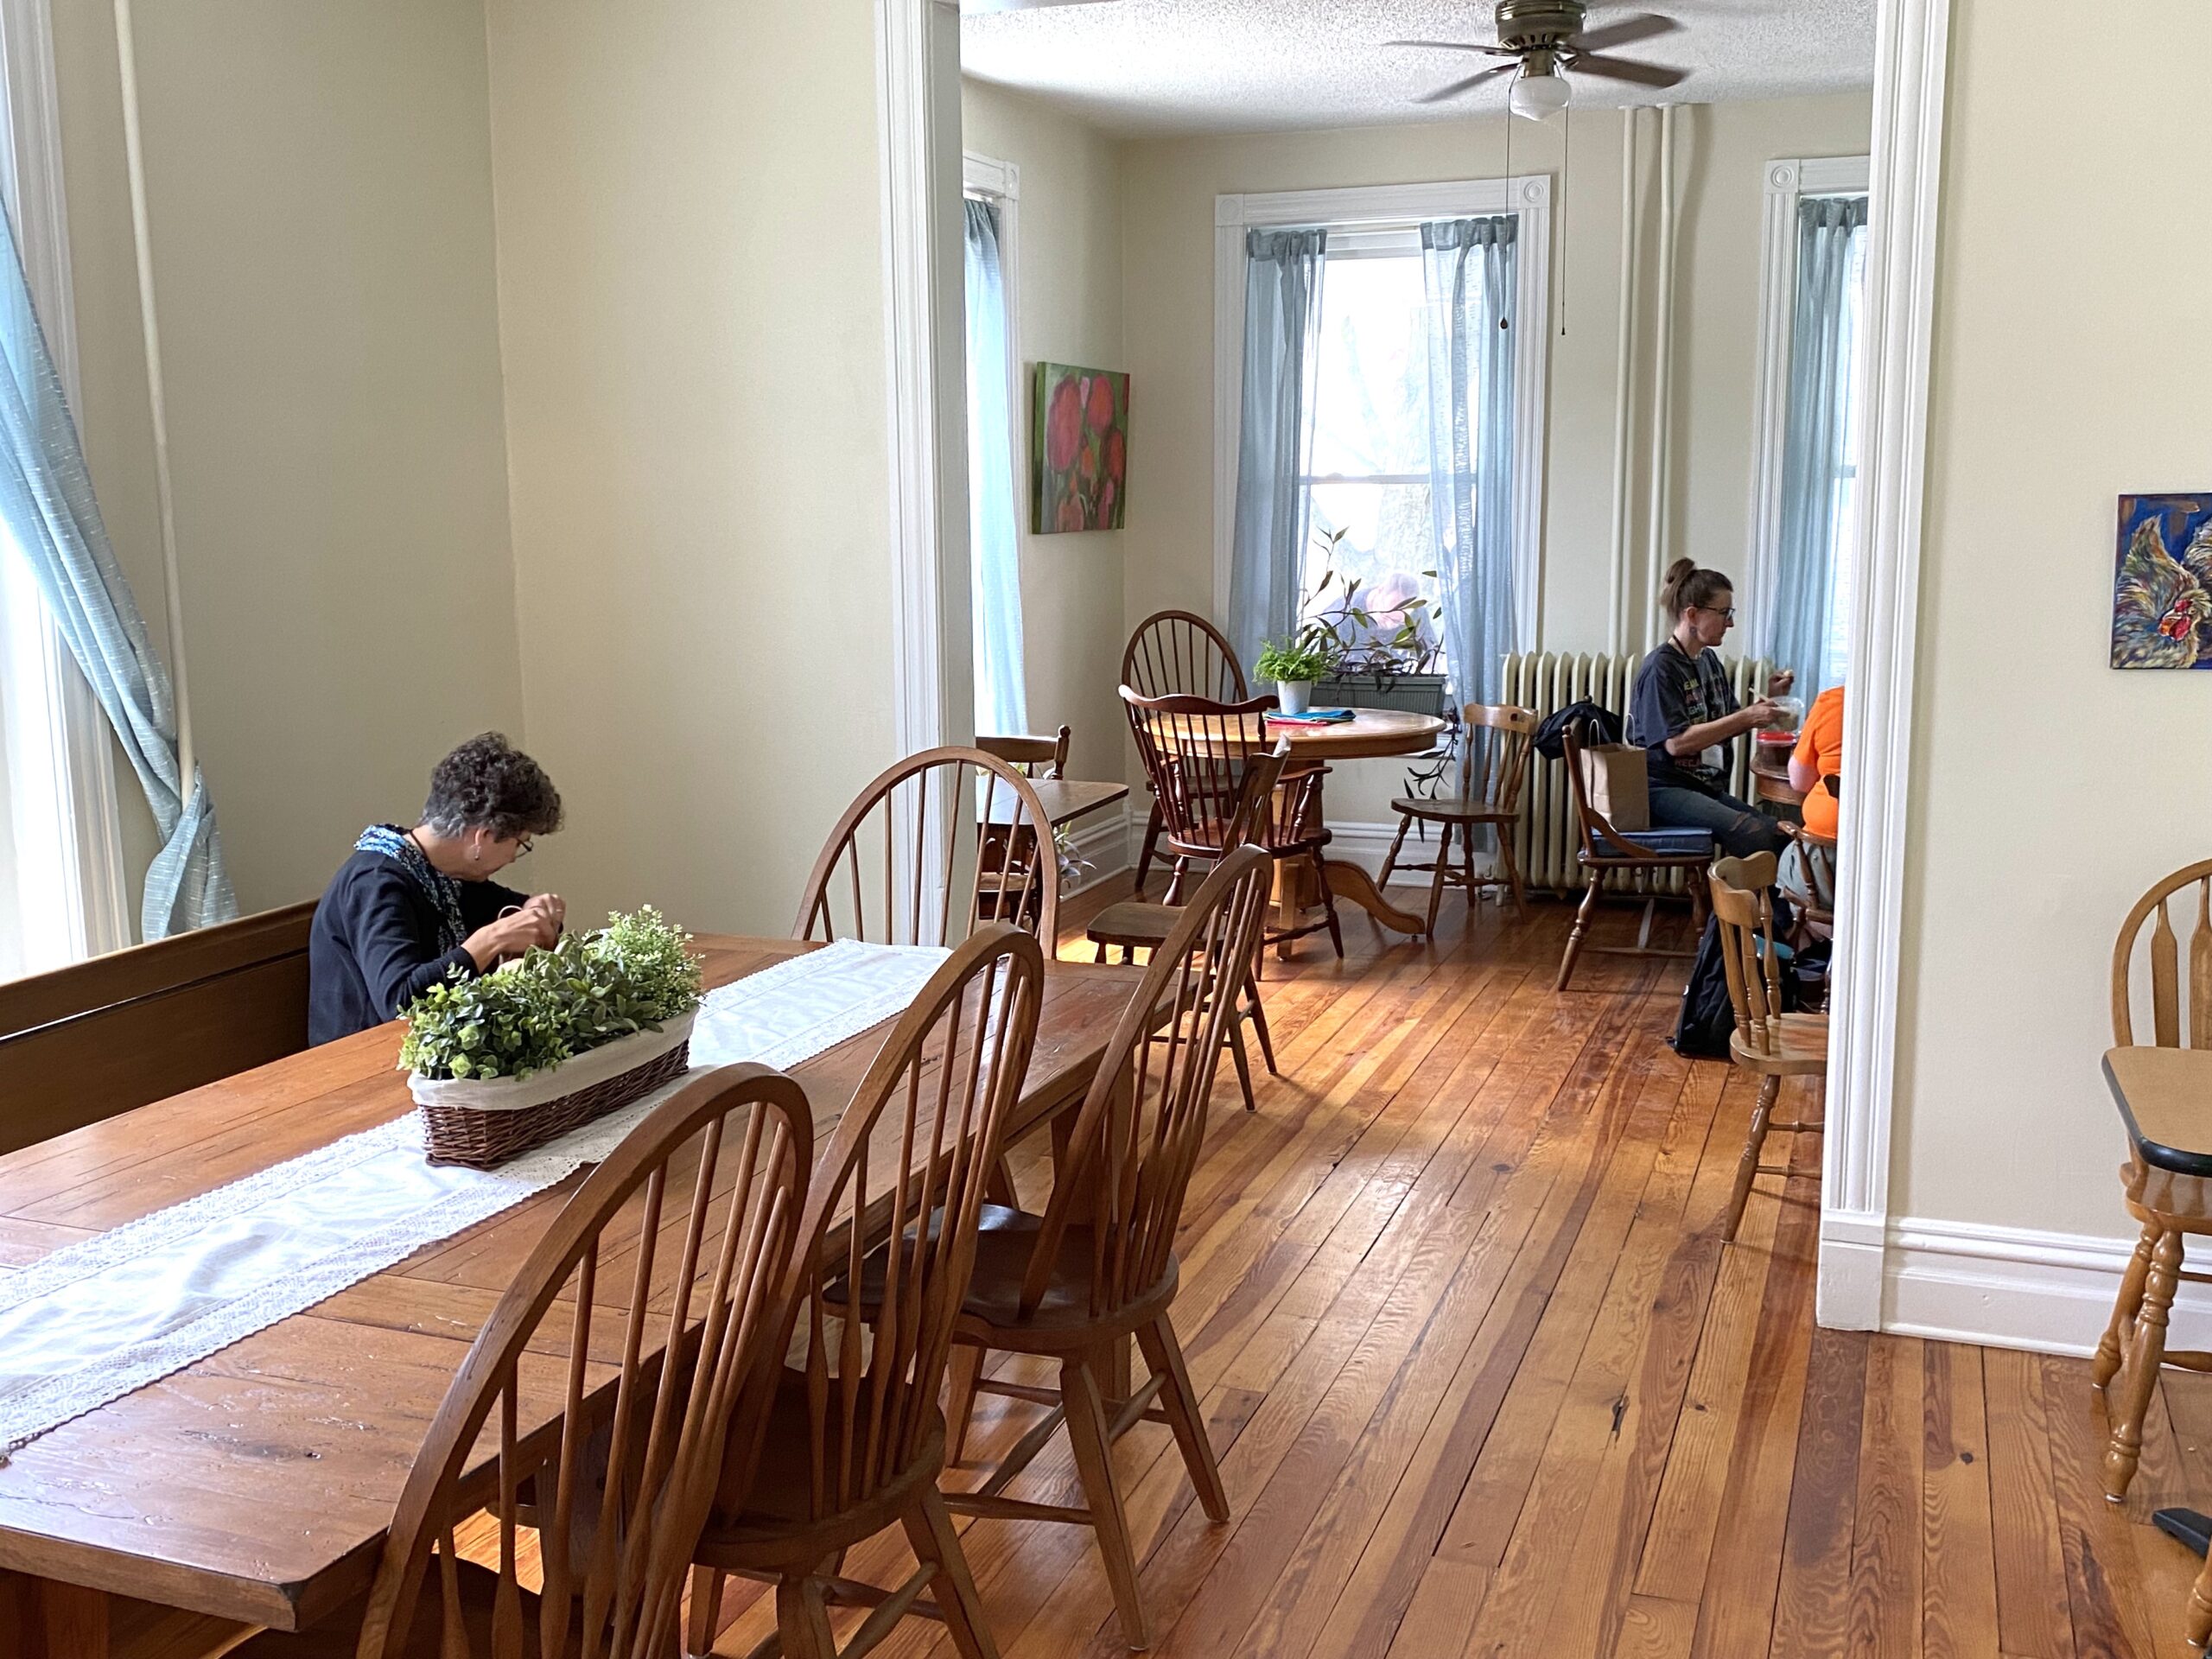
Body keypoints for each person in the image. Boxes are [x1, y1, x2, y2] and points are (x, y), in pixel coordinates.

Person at [308, 733, 568, 1045]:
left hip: (424, 1047)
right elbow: (399, 1002)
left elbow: (509, 908)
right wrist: (491, 939)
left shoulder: (441, 870)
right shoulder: (376, 882)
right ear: (482, 837)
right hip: (358, 1063)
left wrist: (537, 909)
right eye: (520, 842)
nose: (514, 857)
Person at [1626, 558, 1793, 859]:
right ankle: (1737, 906)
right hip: (1660, 790)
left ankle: (1752, 906)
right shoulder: (1660, 668)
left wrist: (1770, 700)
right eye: (1724, 613)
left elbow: (1727, 720)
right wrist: (1746, 717)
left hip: (1700, 786)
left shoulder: (1707, 661)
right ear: (1692, 614)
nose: (1730, 623)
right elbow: (1676, 743)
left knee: (1777, 829)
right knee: (1751, 832)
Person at [1783, 683, 1845, 910]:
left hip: (1826, 853)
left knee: (1784, 861)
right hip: (1892, 857)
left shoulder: (1833, 701)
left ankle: (1812, 937)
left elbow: (1799, 781)